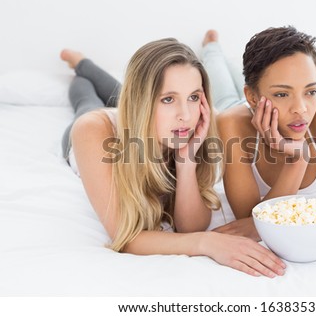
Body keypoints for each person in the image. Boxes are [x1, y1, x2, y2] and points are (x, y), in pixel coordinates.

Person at [60, 38, 286, 277]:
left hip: (137, 117)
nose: (186, 115)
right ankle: (80, 64)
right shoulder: (92, 131)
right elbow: (125, 237)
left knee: (118, 92)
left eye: (193, 97)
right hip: (100, 132)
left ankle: (84, 65)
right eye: (168, 99)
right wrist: (207, 243)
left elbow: (192, 226)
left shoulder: (199, 123)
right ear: (143, 103)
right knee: (86, 102)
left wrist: (186, 164)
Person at [200, 27, 316, 240]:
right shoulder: (230, 124)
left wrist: (299, 154)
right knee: (222, 87)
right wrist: (298, 160)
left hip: (253, 95)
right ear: (252, 97)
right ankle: (212, 48)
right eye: (282, 94)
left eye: (311, 91)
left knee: (237, 76)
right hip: (237, 109)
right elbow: (249, 217)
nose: (301, 108)